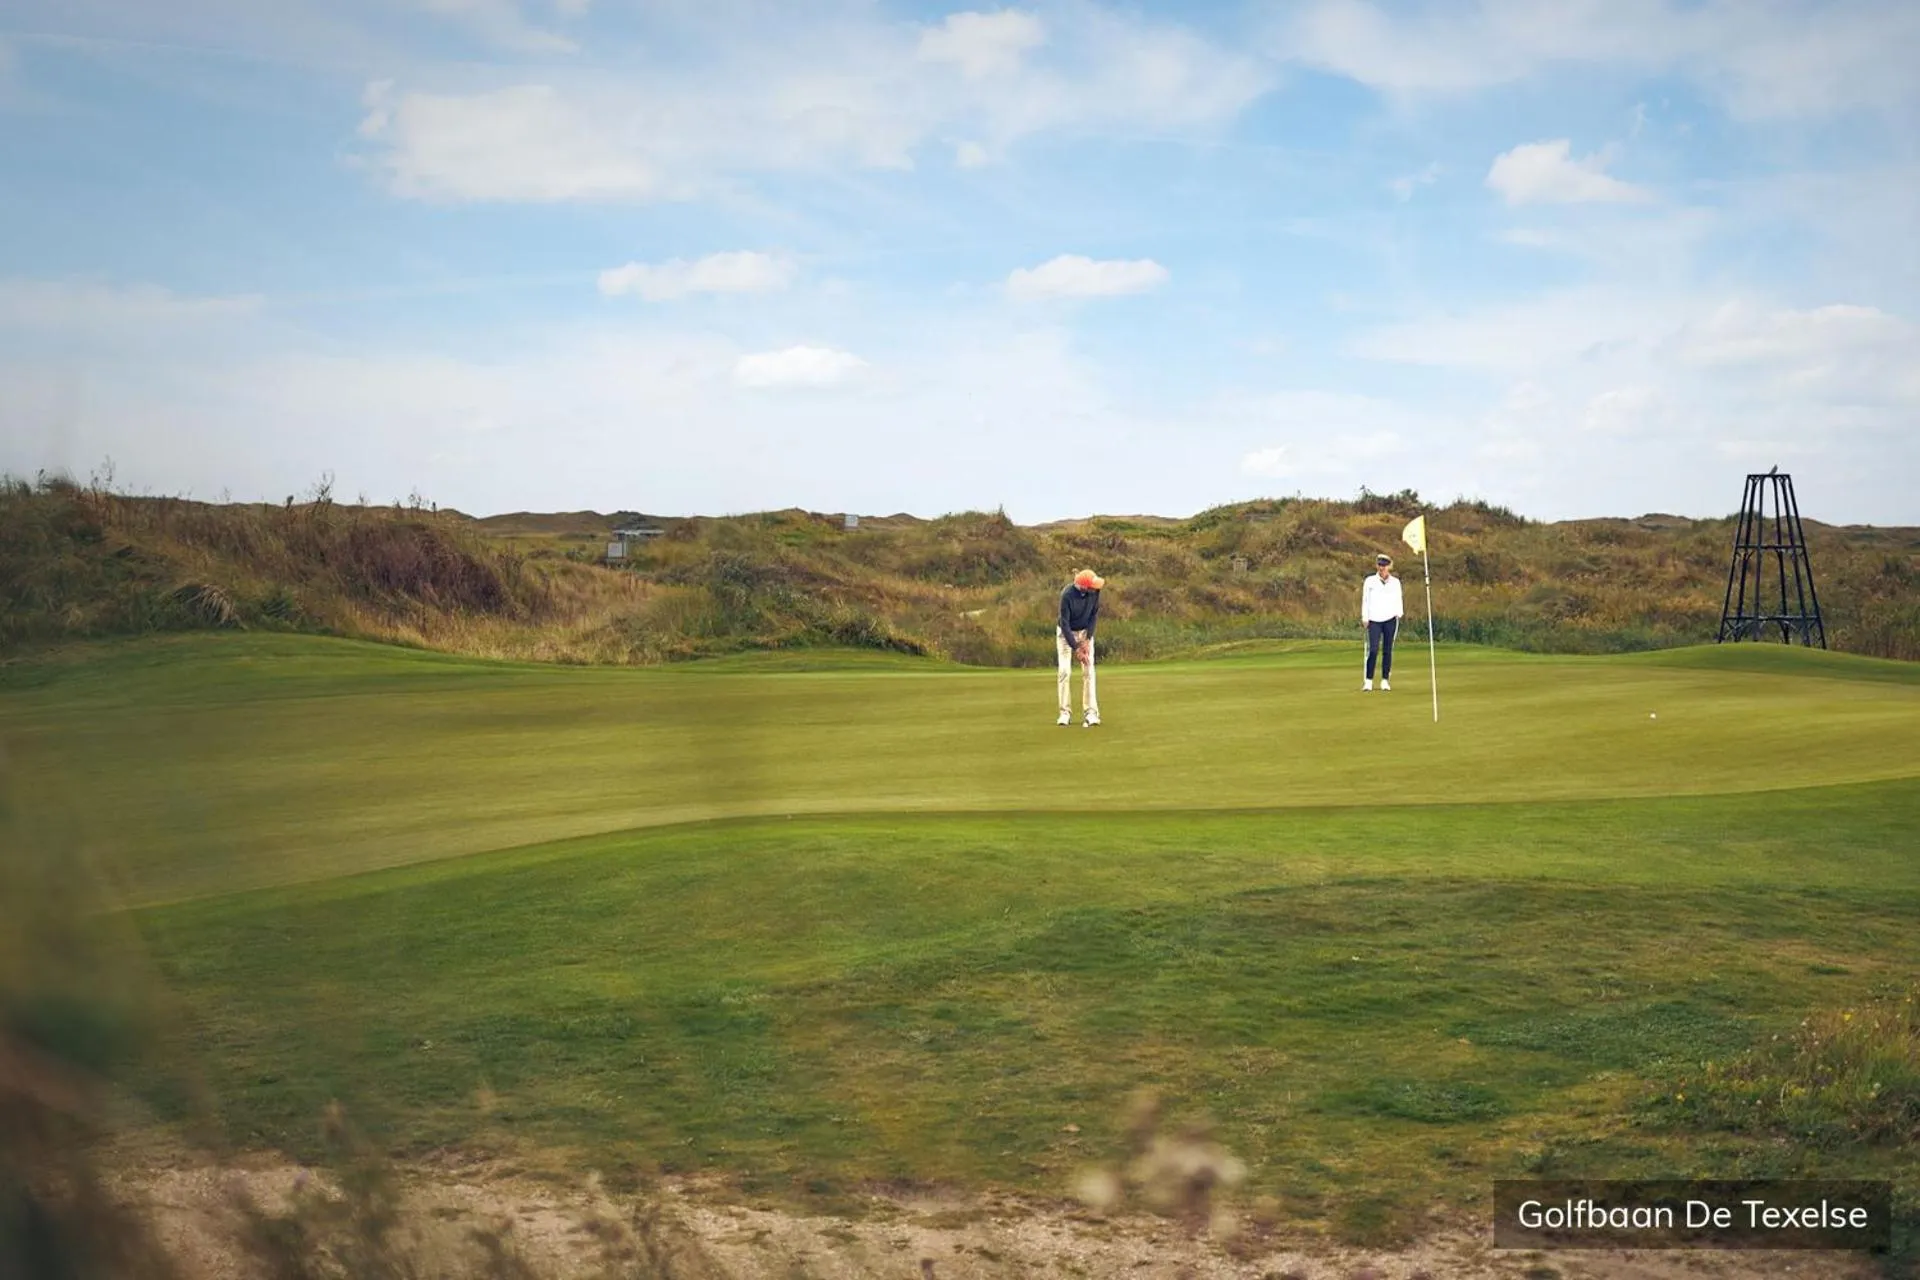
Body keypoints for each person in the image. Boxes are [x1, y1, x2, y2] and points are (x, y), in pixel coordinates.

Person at [1057, 568, 1104, 727]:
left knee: (1089, 671)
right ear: (1084, 587)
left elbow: (1093, 615)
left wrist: (1087, 639)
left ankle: (1091, 712)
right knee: (1065, 671)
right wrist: (1076, 648)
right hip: (1066, 634)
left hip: (1085, 632)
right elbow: (1064, 623)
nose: (1096, 588)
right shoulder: (1067, 595)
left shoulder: (1095, 592)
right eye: (1092, 585)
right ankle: (1064, 713)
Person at [1361, 553, 1403, 691]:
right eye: (1379, 565)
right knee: (1373, 650)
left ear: (1389, 566)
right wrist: (1365, 617)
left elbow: (1398, 598)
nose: (1381, 568)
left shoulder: (1395, 582)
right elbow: (1365, 600)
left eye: (1384, 566)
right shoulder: (1370, 581)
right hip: (1374, 619)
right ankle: (1368, 680)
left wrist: (1399, 612)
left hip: (1390, 618)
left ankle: (1385, 680)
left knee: (1387, 650)